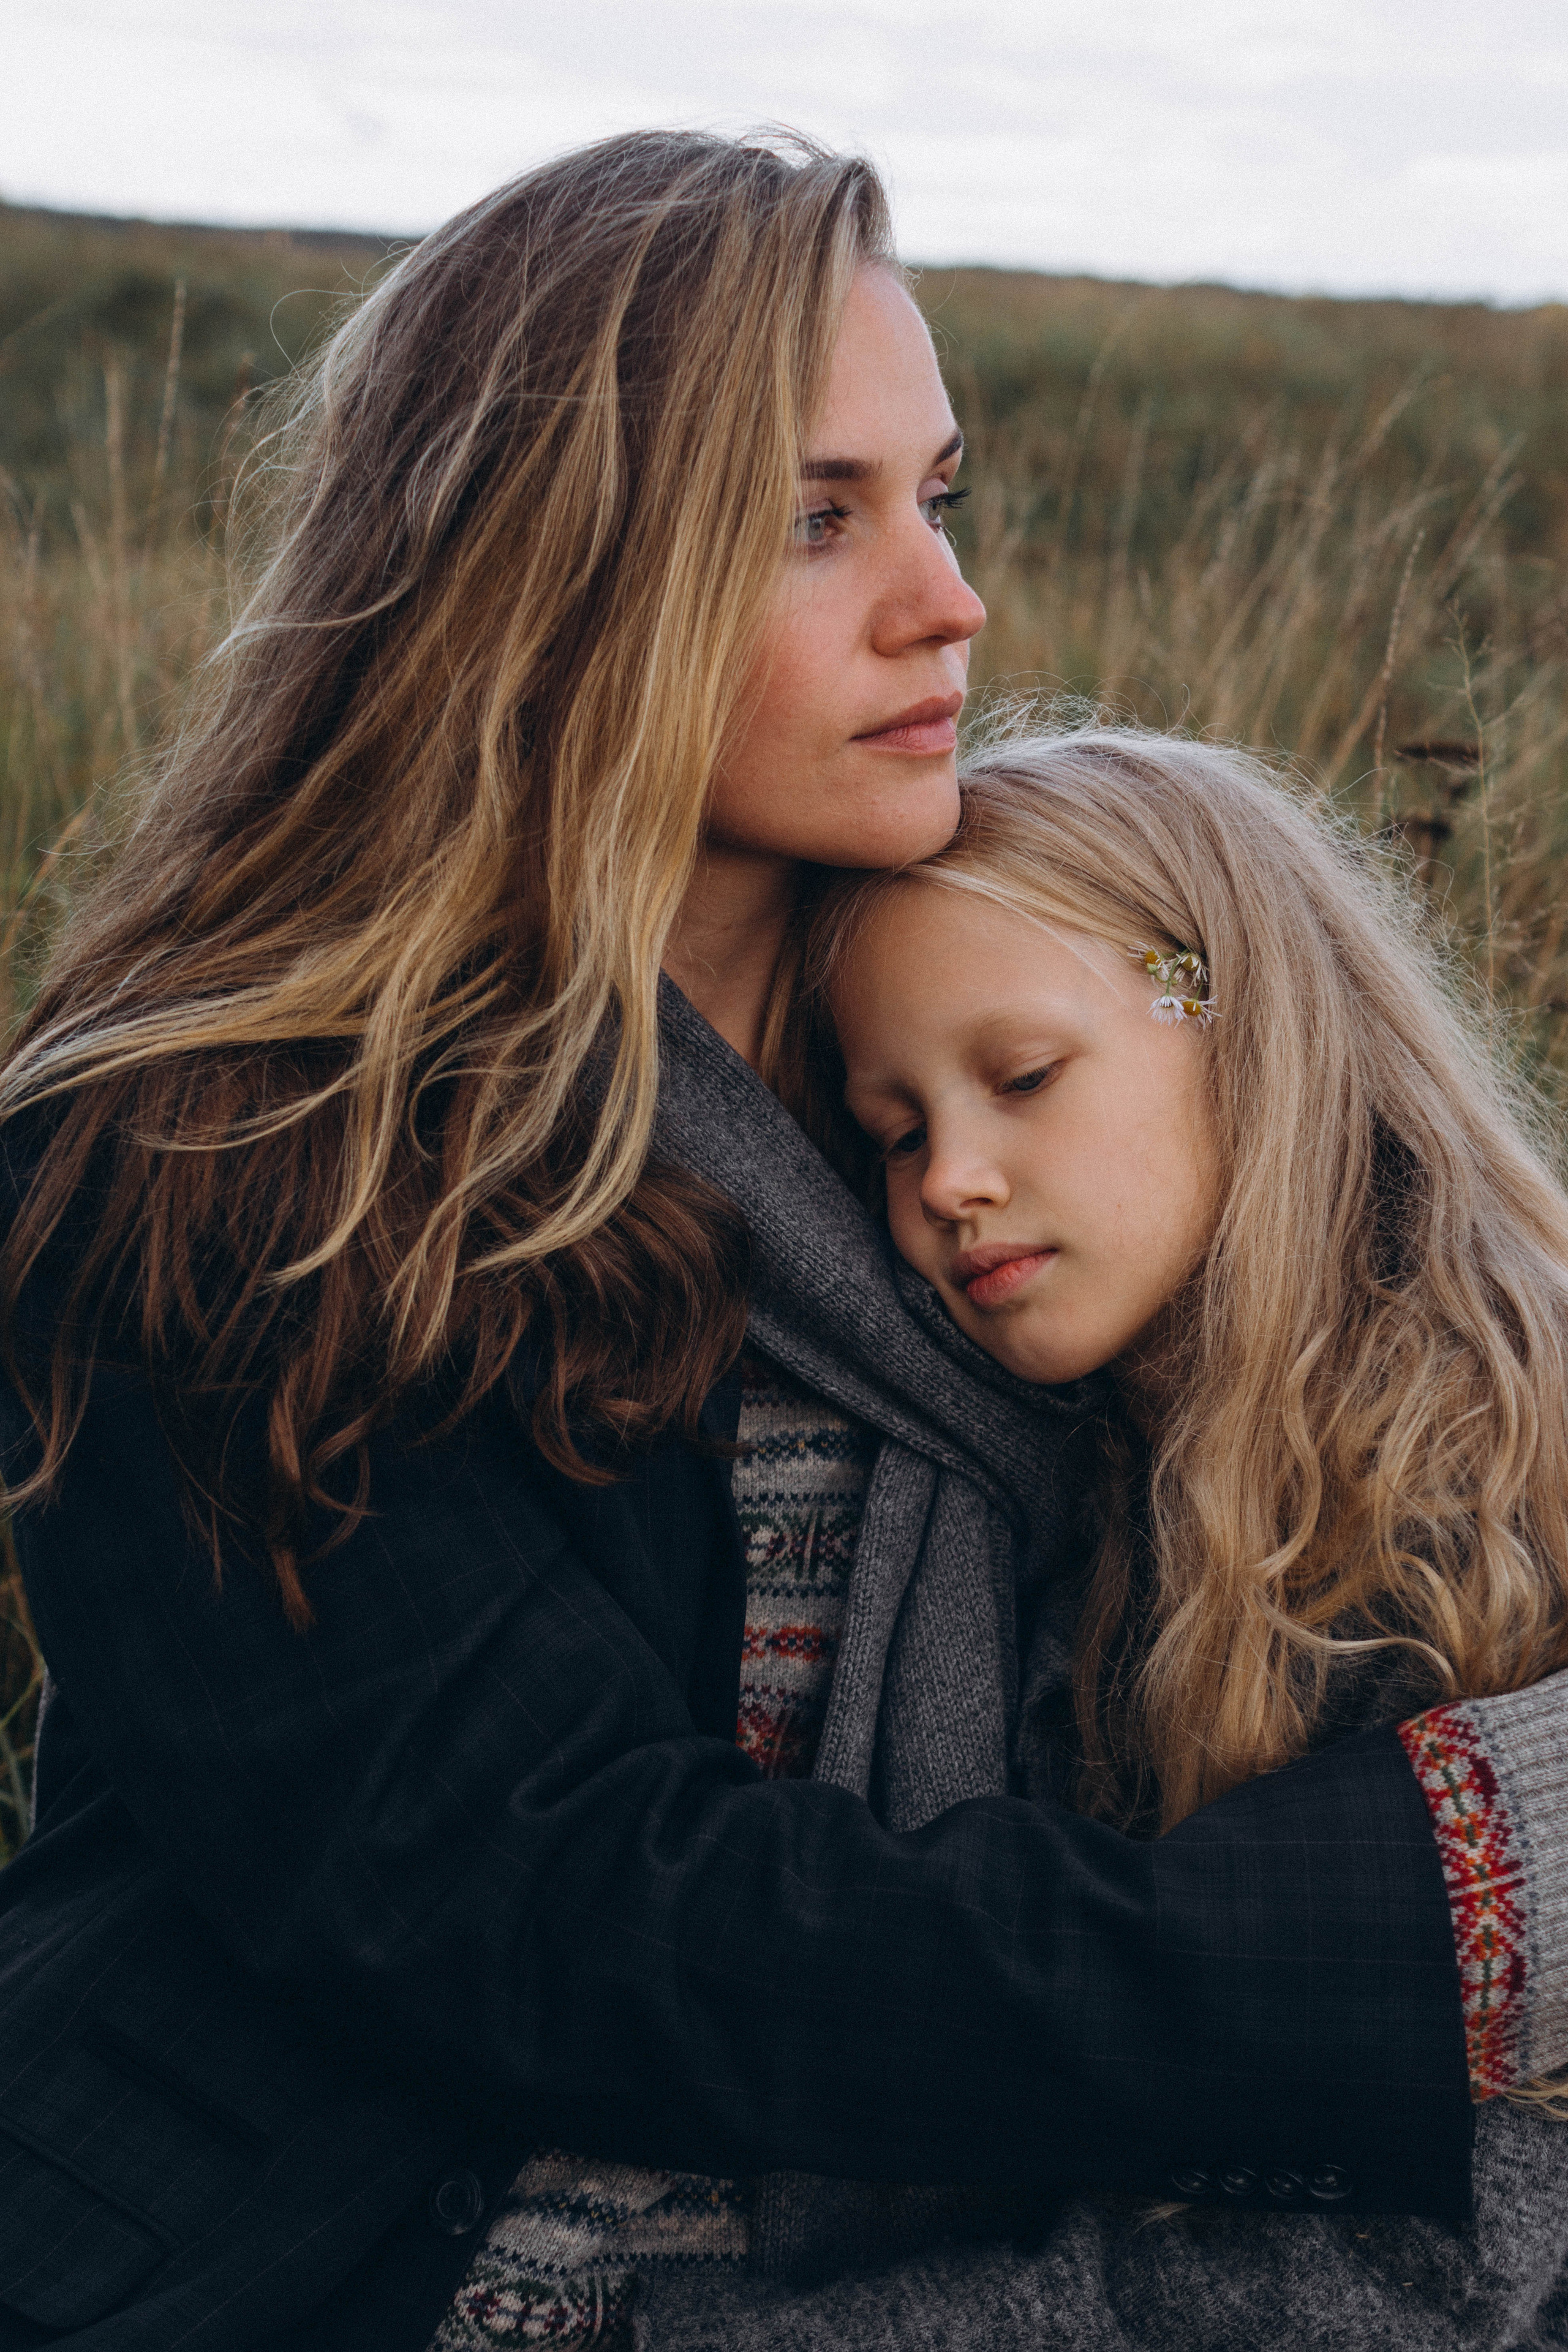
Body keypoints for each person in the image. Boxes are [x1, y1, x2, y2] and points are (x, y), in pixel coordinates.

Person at [0, 131, 1563, 2352]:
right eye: (816, 519)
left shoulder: (969, 1043)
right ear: (558, 577)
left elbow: (1353, 1450)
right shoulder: (224, 1144)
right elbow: (558, 1913)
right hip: (341, 2252)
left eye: (939, 494)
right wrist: (1466, 1896)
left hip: (967, 2222)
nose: (948, 600)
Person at [634, 723, 1568, 2350]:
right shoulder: (1123, 1462)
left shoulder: (1460, 1467)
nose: (952, 1183)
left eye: (1021, 1078)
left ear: (1239, 1014)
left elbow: (1441, 2255)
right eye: (896, 1129)